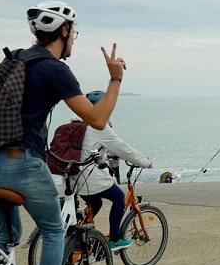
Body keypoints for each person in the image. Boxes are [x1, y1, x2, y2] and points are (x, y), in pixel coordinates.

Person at [0, 1, 125, 265]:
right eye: (74, 33)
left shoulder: (16, 60)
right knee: (55, 229)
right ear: (65, 31)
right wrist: (115, 80)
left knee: (7, 235)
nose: (74, 39)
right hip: (21, 165)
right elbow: (97, 119)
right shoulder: (54, 68)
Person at [59, 90, 153, 252]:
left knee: (96, 202)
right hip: (89, 178)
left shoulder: (74, 124)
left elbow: (85, 149)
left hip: (72, 177)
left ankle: (79, 233)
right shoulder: (99, 127)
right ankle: (115, 240)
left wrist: (106, 155)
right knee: (118, 198)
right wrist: (145, 162)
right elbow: (124, 149)